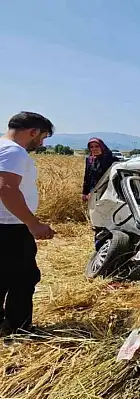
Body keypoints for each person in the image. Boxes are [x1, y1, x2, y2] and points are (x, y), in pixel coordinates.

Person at [0, 111, 56, 337]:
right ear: (33, 131)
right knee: (23, 277)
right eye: (42, 137)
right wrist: (32, 224)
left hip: (6, 225)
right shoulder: (14, 152)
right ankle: (18, 327)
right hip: (10, 227)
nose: (41, 143)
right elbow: (7, 189)